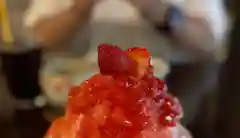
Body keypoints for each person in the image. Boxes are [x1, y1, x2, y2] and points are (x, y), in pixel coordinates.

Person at [23, 0, 229, 126]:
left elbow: (209, 41)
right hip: (77, 101)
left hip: (171, 99)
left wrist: (160, 12)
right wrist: (79, 10)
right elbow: (41, 35)